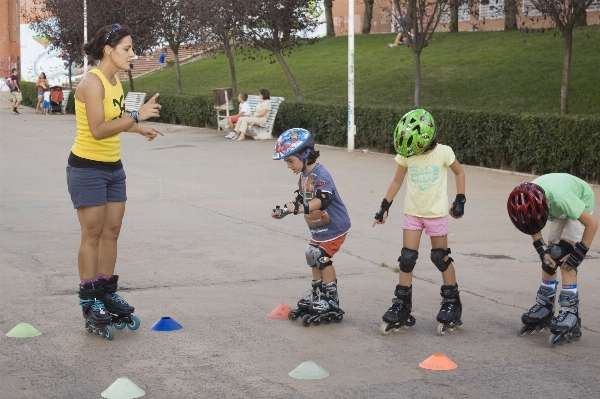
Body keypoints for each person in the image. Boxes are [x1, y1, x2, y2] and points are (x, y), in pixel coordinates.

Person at [68, 23, 163, 340]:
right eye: (127, 49)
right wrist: (138, 117)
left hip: (113, 167)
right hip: (87, 168)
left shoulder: (114, 82)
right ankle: (88, 298)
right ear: (109, 50)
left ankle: (106, 291)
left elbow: (115, 122)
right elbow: (97, 129)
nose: (132, 54)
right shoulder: (92, 84)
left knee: (112, 231)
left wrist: (139, 129)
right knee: (92, 234)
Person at [373, 109, 466, 336]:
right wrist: (385, 206)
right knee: (407, 258)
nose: (414, 153)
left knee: (440, 257)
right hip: (412, 213)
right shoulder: (407, 153)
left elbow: (459, 173)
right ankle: (402, 305)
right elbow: (397, 181)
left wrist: (460, 199)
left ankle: (452, 303)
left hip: (436, 214)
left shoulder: (444, 152)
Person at [271, 128, 351, 326]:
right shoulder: (304, 176)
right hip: (318, 228)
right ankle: (318, 295)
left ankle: (331, 300)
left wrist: (299, 208)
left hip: (335, 226)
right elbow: (302, 197)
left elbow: (322, 199)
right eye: (287, 162)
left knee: (322, 258)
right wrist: (285, 209)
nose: (289, 166)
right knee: (311, 255)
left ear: (305, 155)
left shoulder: (320, 173)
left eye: (291, 161)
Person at [507, 174, 597, 347]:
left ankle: (570, 311)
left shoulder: (563, 199)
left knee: (565, 258)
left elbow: (592, 224)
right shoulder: (527, 195)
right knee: (550, 258)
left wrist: (579, 253)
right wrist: (542, 251)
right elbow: (532, 223)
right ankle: (545, 306)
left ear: (545, 204)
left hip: (579, 200)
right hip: (558, 209)